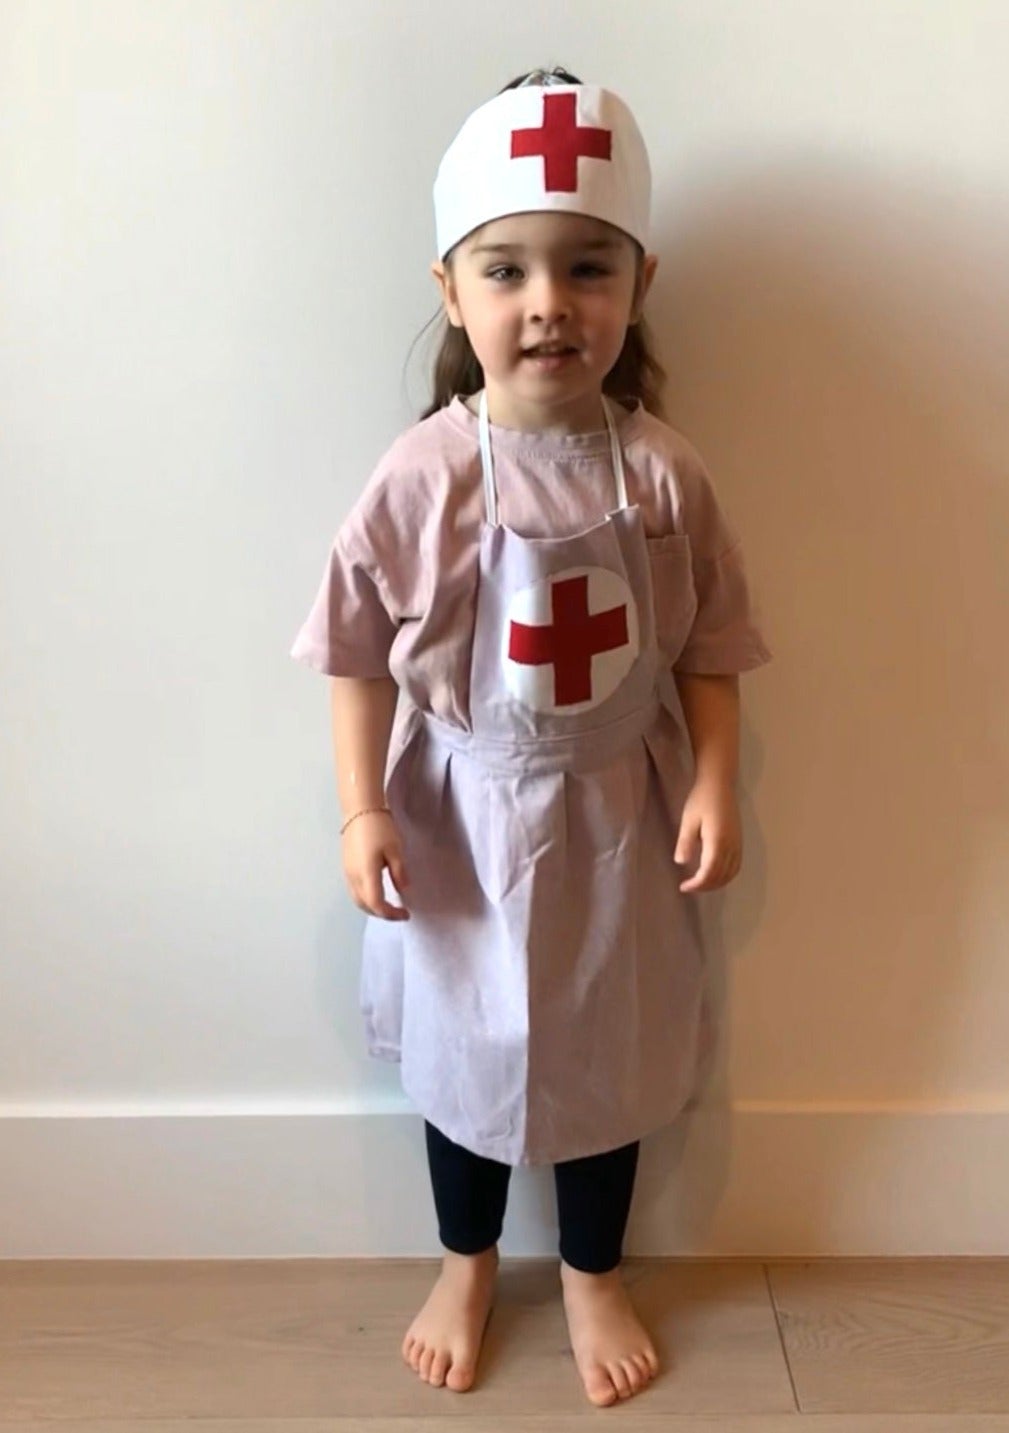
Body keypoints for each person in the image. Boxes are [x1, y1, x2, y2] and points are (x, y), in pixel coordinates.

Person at [290, 65, 773, 1407]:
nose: (548, 301)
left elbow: (711, 648)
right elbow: (350, 647)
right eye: (505, 270)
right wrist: (361, 804)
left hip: (618, 810)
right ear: (452, 291)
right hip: (461, 816)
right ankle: (464, 1257)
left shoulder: (666, 472)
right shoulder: (422, 475)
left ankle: (589, 1269)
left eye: (584, 266)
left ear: (638, 281)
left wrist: (716, 780)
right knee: (468, 1059)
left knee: (601, 1061)